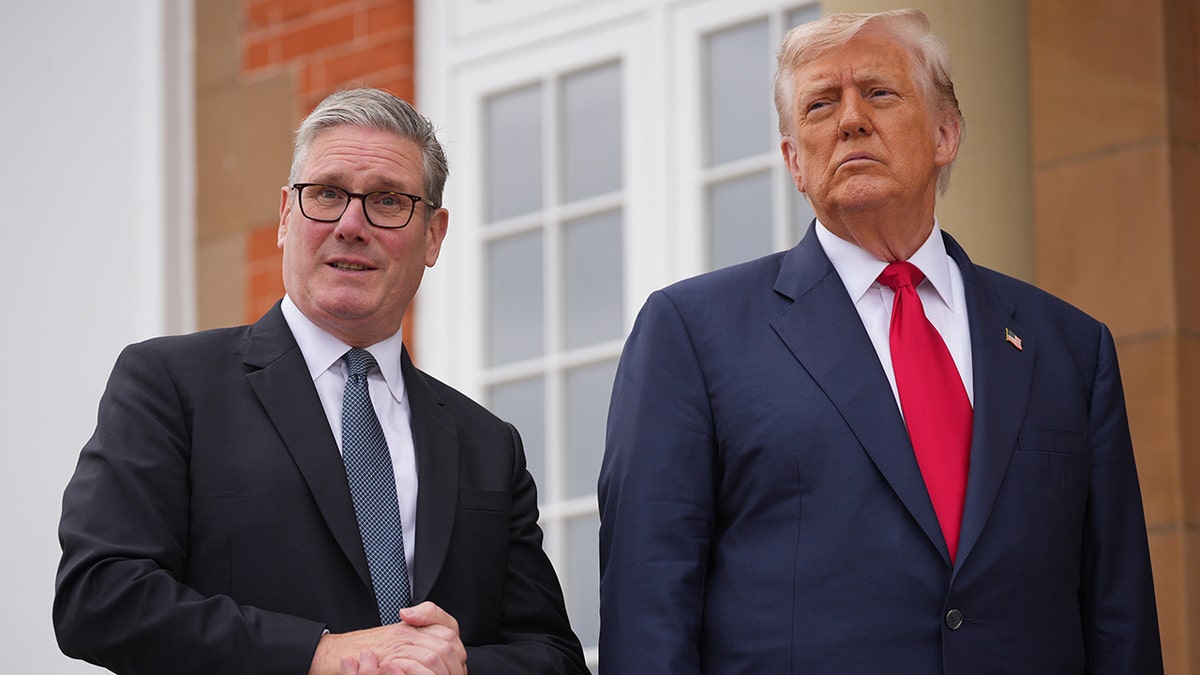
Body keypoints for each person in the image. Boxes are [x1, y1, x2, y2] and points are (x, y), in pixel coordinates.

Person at [598, 9, 1163, 674]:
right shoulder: (691, 333)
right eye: (819, 105)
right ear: (793, 161)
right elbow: (647, 614)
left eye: (879, 92)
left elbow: (1119, 617)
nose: (850, 119)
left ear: (946, 132)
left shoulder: (1071, 346)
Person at [55, 88, 587, 675]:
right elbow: (100, 596)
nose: (351, 224)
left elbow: (554, 656)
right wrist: (322, 654)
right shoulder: (171, 386)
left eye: (388, 201)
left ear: (434, 235)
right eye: (328, 194)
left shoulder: (488, 444)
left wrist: (455, 668)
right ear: (287, 215)